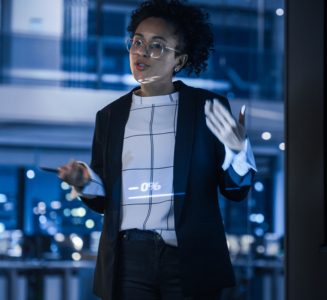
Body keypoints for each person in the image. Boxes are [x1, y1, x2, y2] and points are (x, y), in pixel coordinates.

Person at [57, 1, 257, 299]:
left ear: (180, 59)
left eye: (157, 46)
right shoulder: (109, 117)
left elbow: (236, 191)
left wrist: (239, 152)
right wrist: (85, 182)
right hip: (128, 260)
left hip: (189, 257)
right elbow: (105, 201)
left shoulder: (208, 109)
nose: (142, 52)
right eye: (137, 42)